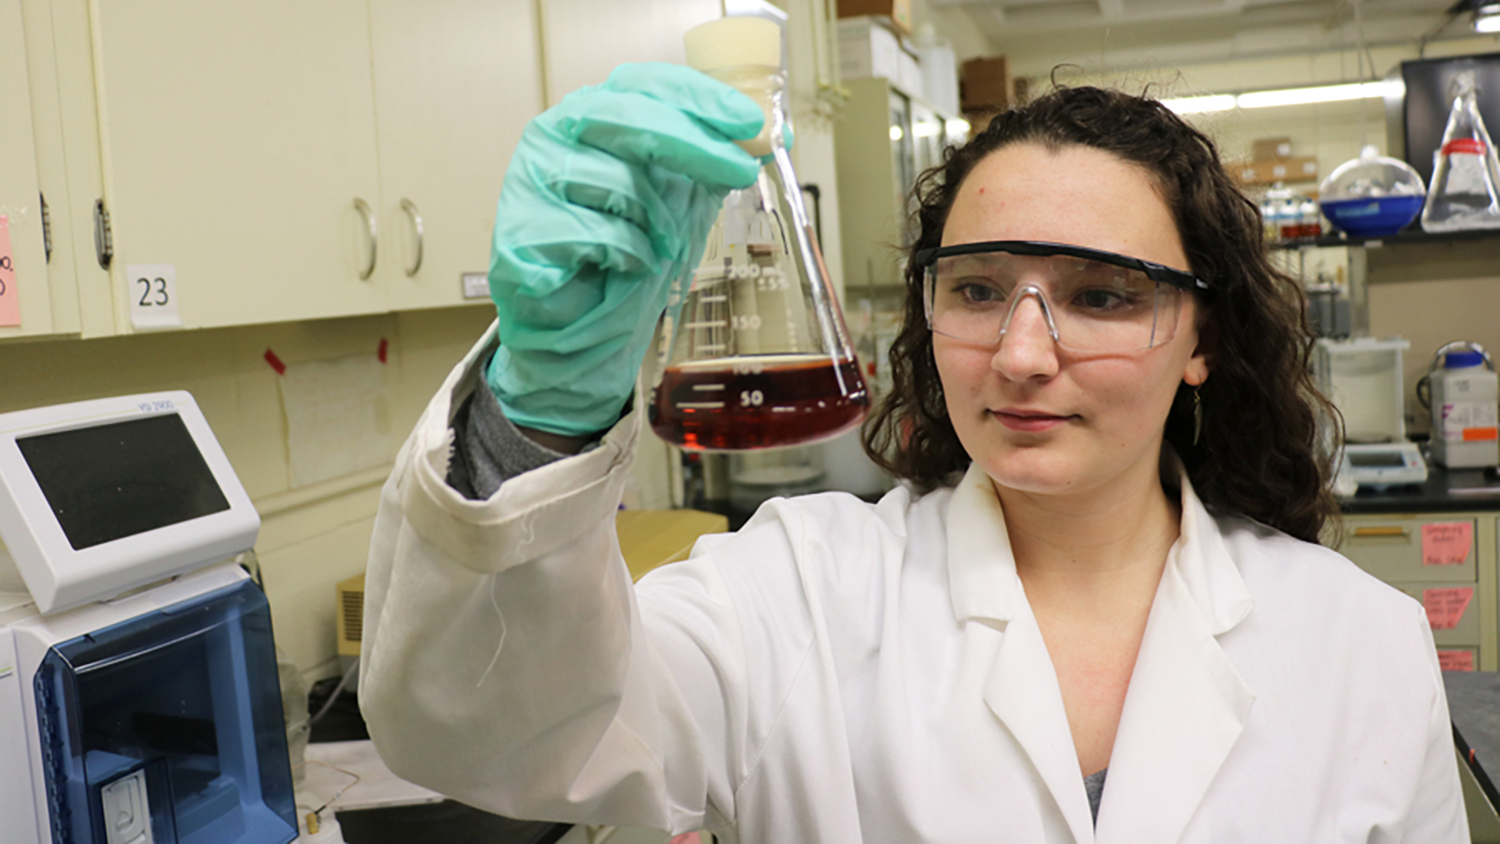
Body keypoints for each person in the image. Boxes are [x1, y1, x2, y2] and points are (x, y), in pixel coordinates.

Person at [358, 61, 1468, 843]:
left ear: (1201, 339)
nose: (1023, 353)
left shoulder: (1362, 643)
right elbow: (496, 730)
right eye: (979, 289)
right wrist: (538, 411)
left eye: (1102, 295)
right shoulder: (795, 591)